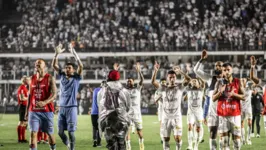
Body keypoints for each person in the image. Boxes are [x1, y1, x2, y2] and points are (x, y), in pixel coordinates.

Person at [52, 43, 83, 150]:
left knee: (71, 132)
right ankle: (68, 144)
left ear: (73, 70)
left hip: (72, 108)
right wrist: (56, 55)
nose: (66, 69)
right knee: (60, 132)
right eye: (66, 68)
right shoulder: (62, 76)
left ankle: (72, 148)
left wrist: (75, 54)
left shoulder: (76, 78)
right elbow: (54, 66)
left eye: (69, 68)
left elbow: (81, 66)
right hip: (62, 108)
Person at [151, 62, 187, 150]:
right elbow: (153, 82)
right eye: (170, 77)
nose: (171, 78)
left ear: (176, 77)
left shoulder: (180, 88)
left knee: (177, 138)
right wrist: (155, 71)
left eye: (173, 77)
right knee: (166, 139)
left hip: (176, 117)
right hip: (165, 117)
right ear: (167, 78)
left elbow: (188, 80)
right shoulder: (163, 88)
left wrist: (181, 71)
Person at [193, 50, 223, 149]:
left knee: (223, 136)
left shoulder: (227, 81)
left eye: (219, 66)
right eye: (216, 66)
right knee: (212, 134)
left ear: (224, 68)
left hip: (225, 112)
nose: (217, 67)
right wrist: (202, 59)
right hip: (212, 113)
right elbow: (196, 70)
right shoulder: (210, 79)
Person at [25, 58, 57, 150]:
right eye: (36, 63)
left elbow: (54, 95)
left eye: (39, 63)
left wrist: (44, 102)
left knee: (49, 134)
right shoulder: (31, 79)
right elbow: (30, 96)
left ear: (44, 66)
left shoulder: (50, 78)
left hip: (47, 111)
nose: (37, 65)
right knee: (33, 133)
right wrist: (27, 111)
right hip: (33, 111)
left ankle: (53, 148)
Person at [98, 63, 131, 150]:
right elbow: (128, 107)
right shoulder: (125, 91)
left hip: (106, 120)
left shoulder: (102, 90)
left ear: (108, 78)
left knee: (111, 145)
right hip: (121, 120)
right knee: (121, 143)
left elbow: (100, 105)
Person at [212, 63, 245, 150]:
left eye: (228, 69)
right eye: (224, 70)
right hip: (223, 116)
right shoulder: (219, 83)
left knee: (237, 143)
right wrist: (220, 92)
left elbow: (244, 96)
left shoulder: (238, 81)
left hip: (235, 116)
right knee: (224, 143)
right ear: (222, 72)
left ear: (232, 70)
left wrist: (234, 94)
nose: (226, 72)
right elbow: (213, 98)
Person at [126, 62, 145, 150]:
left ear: (133, 82)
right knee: (127, 131)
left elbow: (142, 80)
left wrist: (139, 71)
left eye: (130, 80)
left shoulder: (137, 88)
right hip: (128, 114)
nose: (129, 82)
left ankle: (141, 142)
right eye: (128, 81)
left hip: (137, 114)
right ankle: (128, 146)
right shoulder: (124, 90)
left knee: (139, 132)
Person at [183, 77, 205, 150]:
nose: (194, 82)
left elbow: (203, 83)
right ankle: (190, 145)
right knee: (190, 127)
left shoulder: (201, 90)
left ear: (198, 83)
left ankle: (196, 145)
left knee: (198, 129)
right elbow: (184, 99)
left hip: (198, 112)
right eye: (193, 81)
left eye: (196, 81)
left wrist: (199, 78)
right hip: (190, 112)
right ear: (191, 83)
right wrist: (187, 95)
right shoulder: (189, 90)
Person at [91, 81, 105, 147]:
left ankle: (94, 141)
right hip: (100, 112)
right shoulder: (103, 91)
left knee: (94, 127)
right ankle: (99, 143)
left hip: (93, 112)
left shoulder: (95, 90)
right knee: (100, 128)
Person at [240, 79, 253, 145]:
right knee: (241, 124)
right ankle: (243, 139)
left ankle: (248, 139)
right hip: (241, 108)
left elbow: (254, 81)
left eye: (243, 79)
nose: (242, 80)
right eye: (241, 79)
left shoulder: (249, 86)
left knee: (250, 123)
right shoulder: (239, 88)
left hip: (248, 108)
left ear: (246, 80)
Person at [17, 76, 29, 143]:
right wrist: (29, 98)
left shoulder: (25, 87)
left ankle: (23, 138)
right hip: (22, 106)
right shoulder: (22, 87)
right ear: (24, 80)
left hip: (25, 106)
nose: (28, 81)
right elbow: (21, 98)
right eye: (27, 80)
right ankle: (19, 139)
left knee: (24, 122)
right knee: (21, 122)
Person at [154, 78, 167, 144]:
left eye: (164, 82)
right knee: (162, 124)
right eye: (162, 82)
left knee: (167, 125)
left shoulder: (168, 90)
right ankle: (162, 138)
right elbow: (155, 101)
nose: (163, 83)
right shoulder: (157, 91)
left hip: (168, 109)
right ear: (160, 83)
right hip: (161, 109)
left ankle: (166, 136)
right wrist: (160, 96)